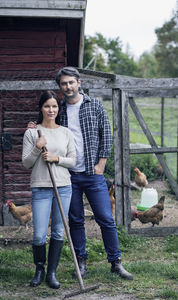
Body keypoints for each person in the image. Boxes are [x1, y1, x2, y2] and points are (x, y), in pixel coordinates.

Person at [28, 67, 133, 280]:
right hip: (68, 175)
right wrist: (32, 125)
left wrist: (101, 163)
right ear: (60, 87)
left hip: (93, 174)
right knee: (75, 220)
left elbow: (107, 134)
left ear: (79, 82)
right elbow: (45, 122)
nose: (68, 87)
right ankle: (81, 261)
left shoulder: (95, 106)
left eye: (71, 82)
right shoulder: (60, 109)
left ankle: (116, 262)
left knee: (105, 218)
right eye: (63, 84)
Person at [22, 90, 76, 289]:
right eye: (47, 106)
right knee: (38, 234)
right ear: (41, 108)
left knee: (58, 232)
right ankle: (39, 270)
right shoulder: (32, 132)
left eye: (54, 106)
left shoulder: (66, 133)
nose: (51, 110)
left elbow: (73, 161)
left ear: (58, 108)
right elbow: (26, 163)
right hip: (41, 187)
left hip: (63, 187)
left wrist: (56, 158)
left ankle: (52, 273)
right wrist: (37, 147)